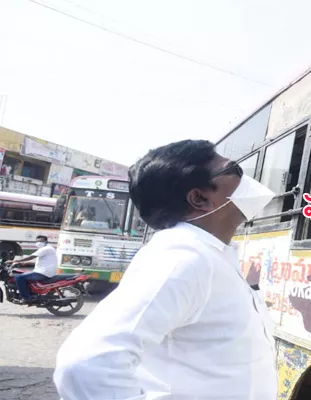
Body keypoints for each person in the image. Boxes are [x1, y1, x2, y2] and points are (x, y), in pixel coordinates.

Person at [53, 139, 278, 400]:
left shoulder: (213, 254)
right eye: (234, 170)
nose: (246, 178)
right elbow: (84, 366)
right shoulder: (184, 259)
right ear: (199, 197)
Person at [8, 235, 57, 304]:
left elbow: (31, 257)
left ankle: (26, 297)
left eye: (41, 241)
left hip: (44, 273)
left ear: (46, 241)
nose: (38, 242)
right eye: (37, 241)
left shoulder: (46, 249)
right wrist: (26, 263)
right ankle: (30, 293)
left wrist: (15, 261)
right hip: (44, 271)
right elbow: (43, 261)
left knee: (19, 278)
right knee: (23, 274)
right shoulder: (47, 248)